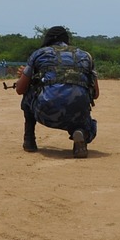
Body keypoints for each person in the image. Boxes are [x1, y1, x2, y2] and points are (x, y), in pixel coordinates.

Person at [14, 26, 98, 158]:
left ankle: (29, 140)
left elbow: (20, 89)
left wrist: (27, 76)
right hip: (77, 114)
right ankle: (80, 132)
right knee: (85, 118)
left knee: (28, 90)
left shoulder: (39, 54)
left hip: (46, 112)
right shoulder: (86, 56)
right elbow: (96, 94)